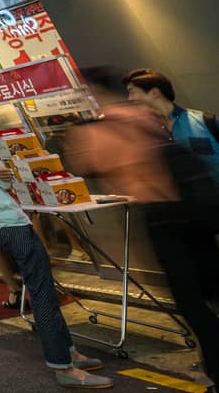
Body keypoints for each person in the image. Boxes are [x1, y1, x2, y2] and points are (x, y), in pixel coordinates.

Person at [0, 97, 110, 388]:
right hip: (9, 222)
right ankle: (63, 366)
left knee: (44, 290)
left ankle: (69, 352)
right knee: (42, 293)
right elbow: (3, 177)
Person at [72, 68, 219, 392]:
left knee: (191, 301)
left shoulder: (100, 129)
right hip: (197, 213)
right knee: (211, 289)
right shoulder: (145, 118)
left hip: (162, 219)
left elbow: (91, 166)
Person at [125, 68, 219, 184]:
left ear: (154, 93)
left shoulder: (205, 121)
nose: (129, 99)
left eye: (132, 92)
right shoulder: (142, 133)